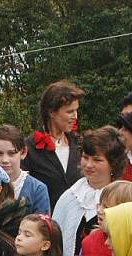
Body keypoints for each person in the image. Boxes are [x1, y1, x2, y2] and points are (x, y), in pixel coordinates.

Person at [53, 126, 126, 256]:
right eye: (85, 157)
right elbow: (55, 240)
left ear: (113, 164)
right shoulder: (70, 196)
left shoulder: (122, 198)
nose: (89, 164)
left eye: (97, 160)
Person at [23, 80, 85, 210]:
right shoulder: (29, 148)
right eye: (70, 112)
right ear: (51, 112)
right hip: (46, 223)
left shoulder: (80, 144)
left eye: (76, 111)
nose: (75, 116)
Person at [0, 124, 50, 214]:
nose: (5, 160)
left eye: (12, 153)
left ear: (23, 152)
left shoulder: (37, 189)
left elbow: (42, 226)